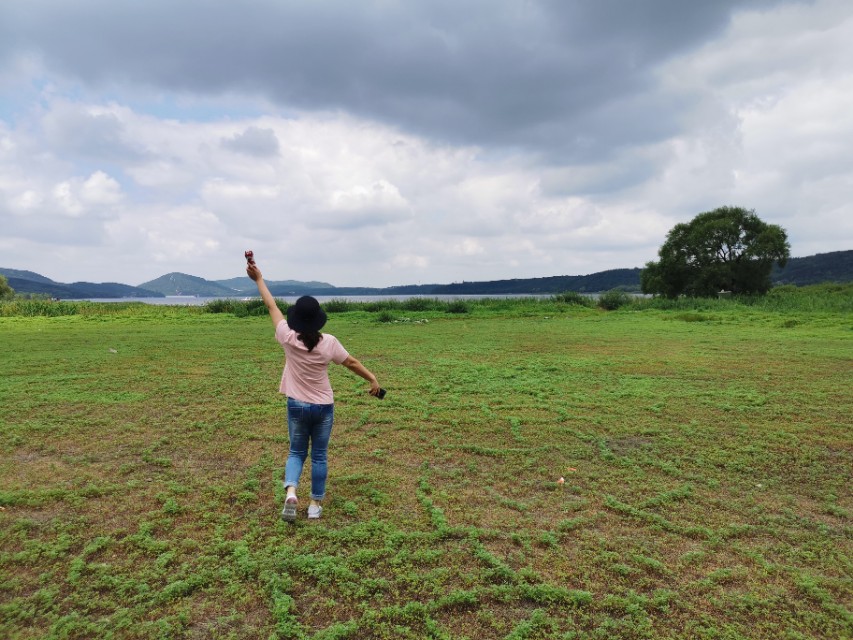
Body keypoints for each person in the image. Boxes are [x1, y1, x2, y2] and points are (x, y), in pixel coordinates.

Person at [247, 260, 382, 521]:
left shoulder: (287, 337)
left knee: (296, 452)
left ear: (296, 320)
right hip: (323, 407)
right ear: (318, 320)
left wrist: (259, 279)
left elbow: (271, 306)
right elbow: (351, 363)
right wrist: (372, 378)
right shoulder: (329, 342)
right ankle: (314, 505)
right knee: (319, 455)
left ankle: (291, 492)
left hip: (296, 404)